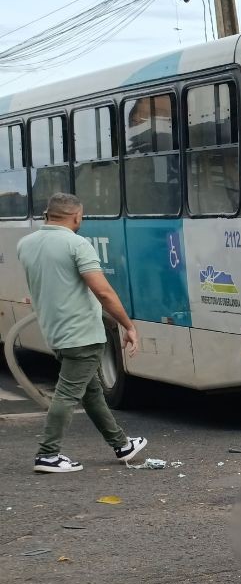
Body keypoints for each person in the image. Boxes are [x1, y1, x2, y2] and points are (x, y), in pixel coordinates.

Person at [17, 193, 147, 474]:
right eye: (82, 216)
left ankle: (121, 444)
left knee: (91, 392)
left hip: (55, 331)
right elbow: (102, 291)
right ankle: (48, 454)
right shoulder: (77, 244)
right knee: (67, 394)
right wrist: (128, 325)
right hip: (82, 333)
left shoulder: (25, 244)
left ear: (47, 214)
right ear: (76, 216)